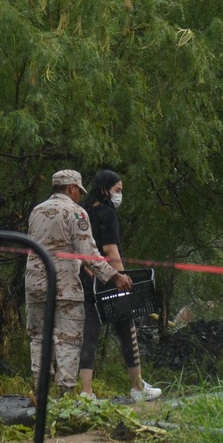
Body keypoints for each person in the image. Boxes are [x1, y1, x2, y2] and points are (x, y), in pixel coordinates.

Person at [25, 169, 131, 398]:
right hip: (64, 285)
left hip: (34, 284)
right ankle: (66, 394)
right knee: (68, 340)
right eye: (78, 191)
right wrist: (115, 276)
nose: (79, 196)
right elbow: (89, 253)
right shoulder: (76, 213)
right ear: (72, 187)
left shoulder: (36, 211)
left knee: (39, 337)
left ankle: (38, 391)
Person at [77, 169, 161, 402]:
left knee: (90, 334)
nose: (119, 196)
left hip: (88, 280)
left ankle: (86, 391)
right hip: (110, 280)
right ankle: (137, 387)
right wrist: (120, 278)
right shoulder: (108, 213)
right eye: (117, 190)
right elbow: (110, 250)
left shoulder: (84, 213)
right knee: (127, 331)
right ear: (105, 189)